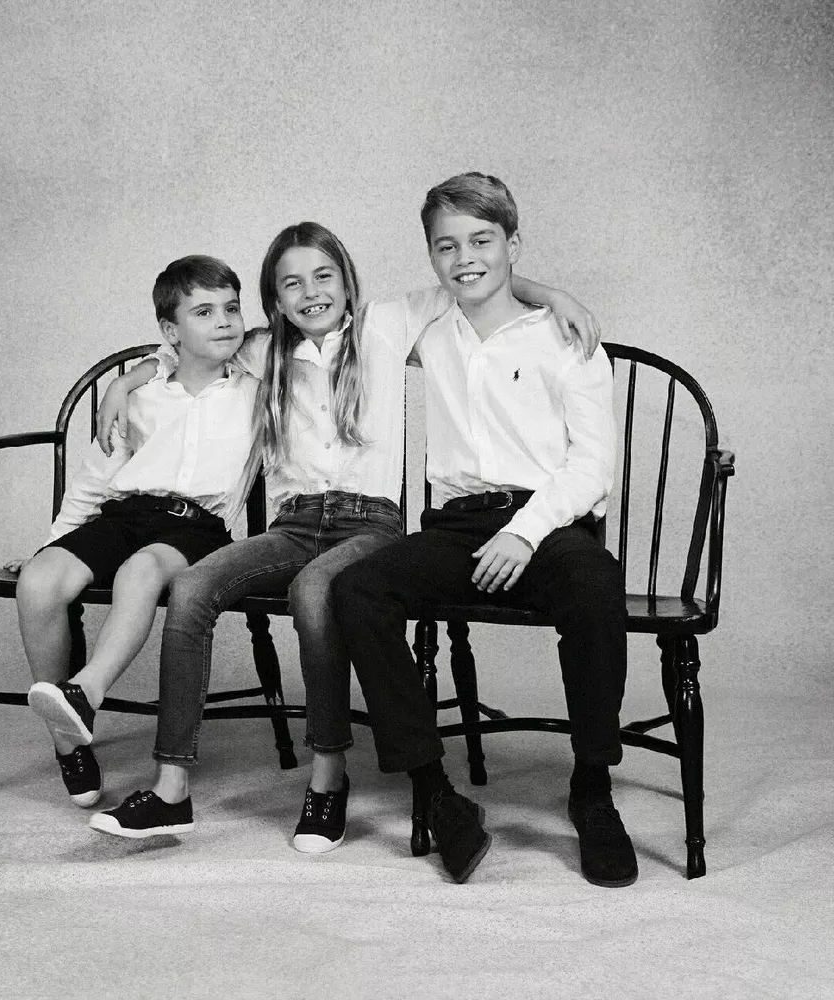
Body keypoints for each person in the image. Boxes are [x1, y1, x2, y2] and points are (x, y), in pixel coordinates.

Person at [87, 221, 599, 849]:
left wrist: (552, 296)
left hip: (371, 524)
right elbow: (190, 346)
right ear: (275, 300)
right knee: (192, 587)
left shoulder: (387, 324)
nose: (311, 293)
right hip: (294, 524)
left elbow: (472, 281)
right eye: (292, 284)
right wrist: (129, 378)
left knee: (315, 590)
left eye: (323, 276)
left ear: (347, 281)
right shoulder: (261, 350)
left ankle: (327, 781)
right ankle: (171, 791)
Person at [331, 172, 635, 888]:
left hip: (550, 521)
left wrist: (525, 532)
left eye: (482, 240)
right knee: (357, 592)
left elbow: (593, 466)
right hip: (457, 526)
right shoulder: (425, 328)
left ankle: (592, 789)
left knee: (596, 582)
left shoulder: (566, 337)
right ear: (431, 256)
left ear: (513, 244)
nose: (465, 258)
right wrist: (150, 370)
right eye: (447, 246)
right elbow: (309, 322)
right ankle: (437, 793)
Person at [14, 255, 258, 814]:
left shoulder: (255, 387)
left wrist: (133, 370)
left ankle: (85, 691)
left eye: (231, 308)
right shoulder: (144, 394)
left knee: (140, 570)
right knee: (39, 582)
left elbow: (279, 342)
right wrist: (54, 543)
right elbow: (97, 476)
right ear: (171, 331)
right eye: (204, 312)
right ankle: (68, 740)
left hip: (197, 526)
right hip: (125, 514)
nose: (224, 321)